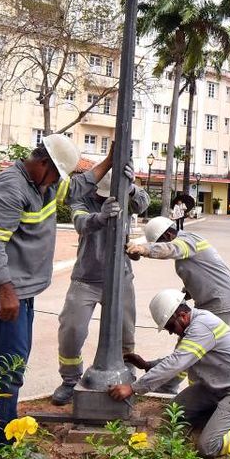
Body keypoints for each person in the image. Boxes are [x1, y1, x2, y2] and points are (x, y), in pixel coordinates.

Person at [0, 134, 79, 445]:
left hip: (20, 292)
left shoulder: (39, 185)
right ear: (43, 163)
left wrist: (110, 162)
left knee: (14, 363)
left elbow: (77, 188)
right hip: (6, 295)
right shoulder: (11, 187)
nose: (55, 183)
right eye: (55, 176)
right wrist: (6, 290)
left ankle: (3, 431)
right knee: (10, 367)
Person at [109, 290, 230, 458]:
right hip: (215, 386)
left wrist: (133, 388)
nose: (171, 332)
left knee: (209, 446)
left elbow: (177, 363)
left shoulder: (202, 326)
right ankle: (221, 415)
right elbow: (178, 360)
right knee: (175, 414)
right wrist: (146, 365)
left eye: (170, 326)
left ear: (182, 315)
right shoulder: (191, 329)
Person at [51, 151, 149, 406]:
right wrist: (100, 217)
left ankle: (127, 379)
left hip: (121, 278)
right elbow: (81, 223)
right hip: (86, 278)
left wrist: (130, 190)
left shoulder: (122, 194)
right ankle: (70, 380)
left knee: (126, 334)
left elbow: (144, 204)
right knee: (71, 330)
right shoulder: (80, 197)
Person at [127, 216, 230, 323]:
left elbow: (171, 249)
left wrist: (143, 249)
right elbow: (200, 273)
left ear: (168, 235)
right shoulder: (190, 240)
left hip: (219, 302)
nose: (159, 245)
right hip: (215, 300)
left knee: (199, 339)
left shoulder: (186, 241)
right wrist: (185, 294)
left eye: (159, 243)